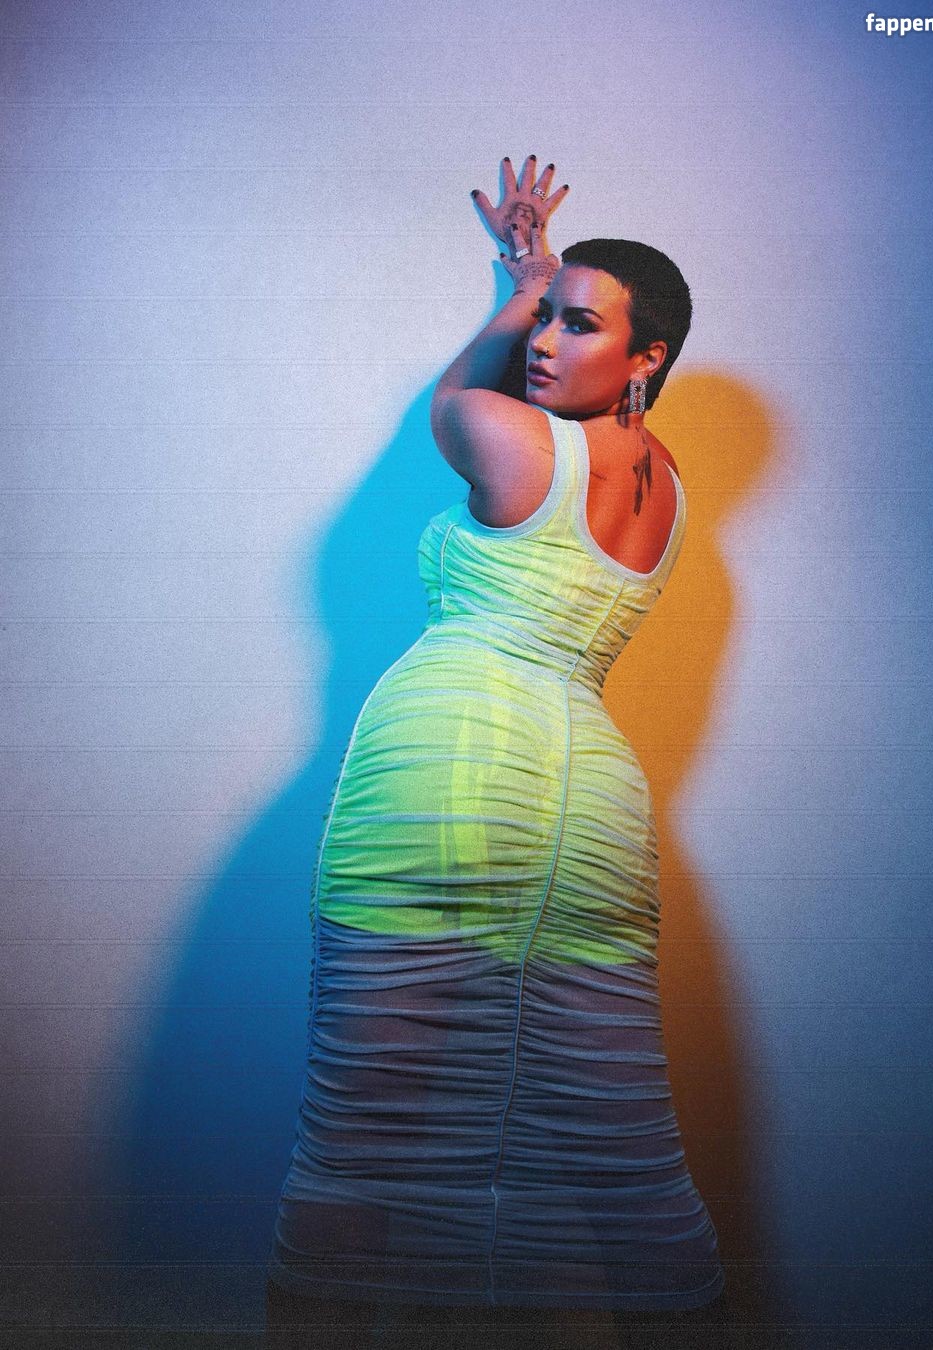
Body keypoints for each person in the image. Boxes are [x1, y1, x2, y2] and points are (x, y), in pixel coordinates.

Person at [265, 155, 724, 1337]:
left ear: (646, 358)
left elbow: (447, 407)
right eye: (548, 316)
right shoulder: (671, 488)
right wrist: (544, 285)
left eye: (579, 324)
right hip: (590, 803)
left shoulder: (506, 436)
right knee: (625, 1151)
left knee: (360, 1127)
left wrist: (514, 289)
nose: (546, 341)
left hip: (446, 761)